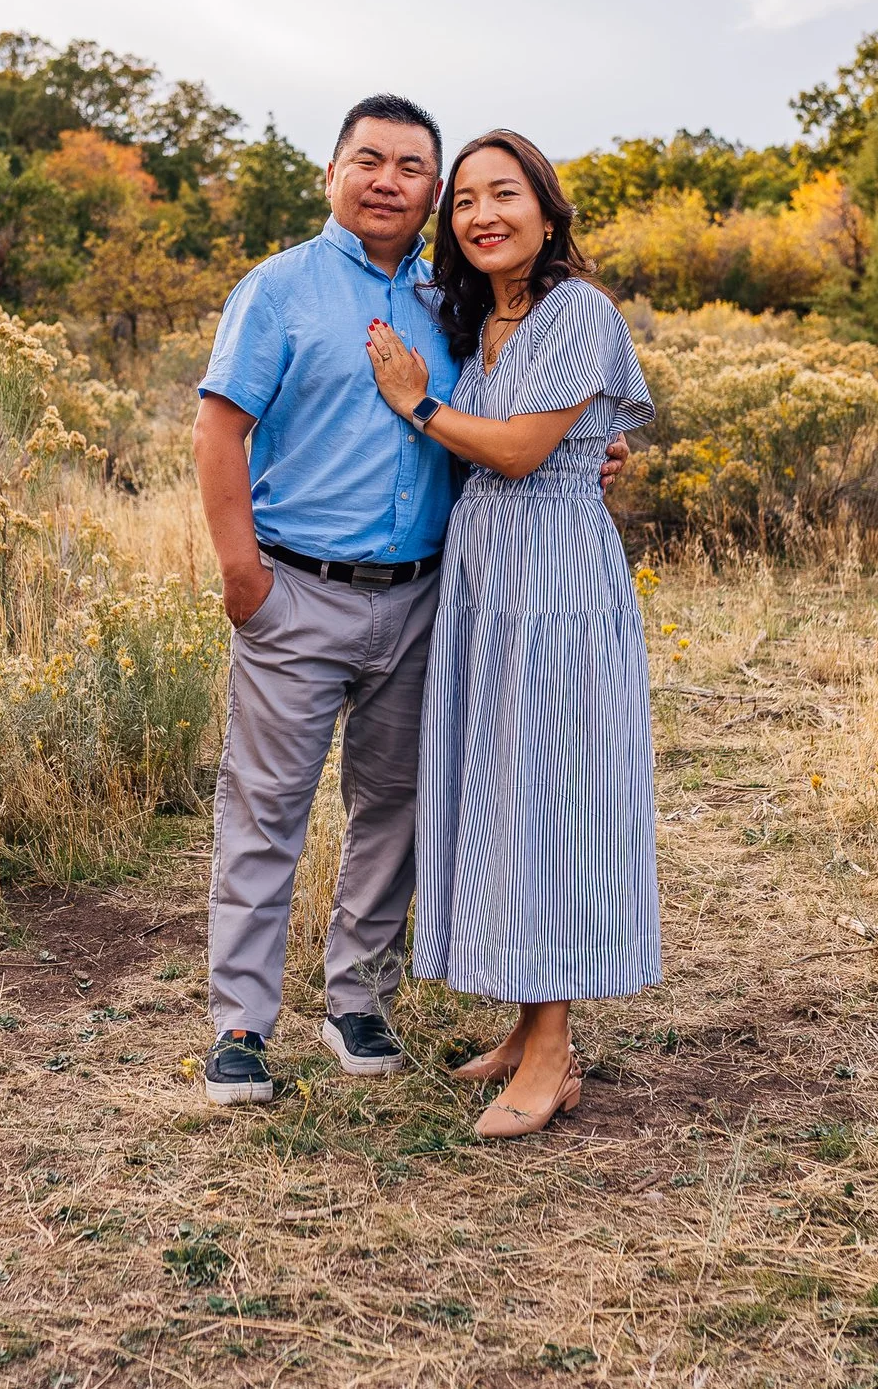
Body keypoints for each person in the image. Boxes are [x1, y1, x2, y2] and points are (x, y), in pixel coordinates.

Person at [193, 95, 625, 1106]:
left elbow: (524, 409)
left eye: (411, 166)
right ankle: (241, 1027)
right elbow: (218, 433)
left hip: (430, 598)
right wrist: (242, 577)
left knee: (392, 810)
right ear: (332, 174)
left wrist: (591, 444)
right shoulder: (280, 290)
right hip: (297, 590)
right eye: (368, 160)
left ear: (429, 190)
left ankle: (359, 1001)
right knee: (265, 813)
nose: (389, 180)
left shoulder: (453, 300)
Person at [364, 128, 661, 1138]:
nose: (482, 215)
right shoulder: (479, 319)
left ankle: (552, 1054)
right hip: (488, 582)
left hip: (556, 589)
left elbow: (528, 450)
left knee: (553, 792)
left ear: (545, 210)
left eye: (505, 194)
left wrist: (416, 402)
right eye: (464, 201)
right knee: (509, 789)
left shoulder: (577, 309)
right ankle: (527, 1029)